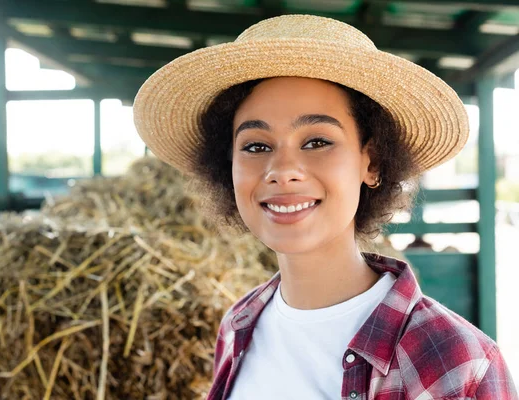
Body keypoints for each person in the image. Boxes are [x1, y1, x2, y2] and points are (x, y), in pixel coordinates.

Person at [133, 15, 518, 400]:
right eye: (255, 146)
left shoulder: (459, 363)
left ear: (372, 162)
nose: (282, 171)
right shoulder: (238, 325)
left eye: (317, 141)